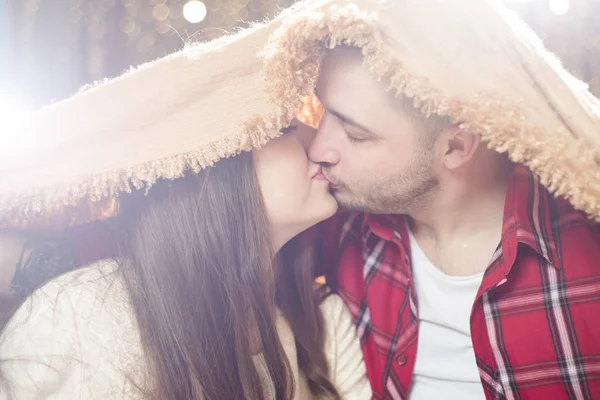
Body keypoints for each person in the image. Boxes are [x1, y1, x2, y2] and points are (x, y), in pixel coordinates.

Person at [0, 4, 371, 399]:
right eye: (283, 126)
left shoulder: (321, 322)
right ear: (215, 167)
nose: (319, 139)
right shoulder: (84, 318)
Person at [257, 0, 600, 399]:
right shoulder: (334, 221)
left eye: (356, 135)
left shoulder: (585, 252)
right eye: (321, 113)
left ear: (455, 146)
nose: (318, 148)